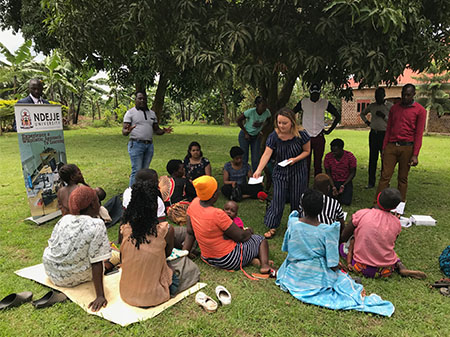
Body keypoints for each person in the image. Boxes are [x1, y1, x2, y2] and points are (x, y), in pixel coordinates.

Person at [275, 189, 395, 317]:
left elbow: (287, 246)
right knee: (342, 279)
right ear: (322, 208)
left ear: (302, 207)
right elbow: (332, 262)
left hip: (293, 274)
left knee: (342, 278)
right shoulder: (327, 231)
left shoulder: (293, 222)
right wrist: (338, 269)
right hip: (317, 276)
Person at [183, 176, 274, 275]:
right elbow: (241, 237)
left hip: (207, 258)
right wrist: (249, 231)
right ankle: (265, 265)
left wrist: (184, 255)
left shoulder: (194, 204)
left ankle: (253, 260)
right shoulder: (217, 214)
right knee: (260, 240)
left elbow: (190, 232)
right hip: (228, 259)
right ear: (214, 195)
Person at [42, 185, 111, 312]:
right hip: (73, 277)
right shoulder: (97, 225)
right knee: (112, 257)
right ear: (93, 205)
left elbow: (53, 244)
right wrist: (100, 296)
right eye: (97, 201)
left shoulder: (65, 219)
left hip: (52, 272)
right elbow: (96, 262)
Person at [340, 188, 426, 279]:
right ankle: (401, 267)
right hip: (386, 270)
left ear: (378, 197)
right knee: (391, 251)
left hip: (360, 267)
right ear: (394, 207)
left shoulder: (362, 214)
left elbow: (344, 236)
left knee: (343, 246)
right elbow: (391, 242)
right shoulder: (396, 222)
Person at [253, 108, 311, 239]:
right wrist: (258, 170)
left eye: (284, 123)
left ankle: (297, 225)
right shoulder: (274, 136)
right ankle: (272, 225)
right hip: (280, 171)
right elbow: (267, 154)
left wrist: (295, 159)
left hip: (298, 171)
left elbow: (307, 151)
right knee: (278, 199)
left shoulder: (302, 134)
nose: (281, 126)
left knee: (297, 199)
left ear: (292, 122)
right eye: (279, 122)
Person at [120, 180, 178, 307]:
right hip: (155, 297)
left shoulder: (124, 228)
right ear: (155, 206)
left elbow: (122, 257)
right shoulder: (165, 230)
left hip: (125, 293)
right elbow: (167, 254)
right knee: (187, 268)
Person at [374, 84, 427, 202]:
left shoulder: (420, 111)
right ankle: (378, 203)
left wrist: (415, 154)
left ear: (414, 94)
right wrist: (384, 148)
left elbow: (418, 134)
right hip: (391, 146)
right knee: (385, 176)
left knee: (402, 178)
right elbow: (389, 129)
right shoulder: (394, 108)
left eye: (408, 95)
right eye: (403, 94)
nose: (405, 97)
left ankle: (400, 206)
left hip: (407, 147)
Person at [122, 91, 172, 187]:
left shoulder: (152, 114)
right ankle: (132, 193)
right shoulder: (130, 113)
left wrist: (164, 131)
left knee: (145, 171)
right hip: (136, 144)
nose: (142, 101)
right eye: (140, 98)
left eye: (144, 99)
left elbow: (156, 130)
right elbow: (124, 131)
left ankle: (143, 192)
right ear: (135, 100)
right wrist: (127, 131)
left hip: (149, 145)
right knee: (137, 170)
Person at [293, 83, 341, 179]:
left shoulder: (325, 103)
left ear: (320, 93)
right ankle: (304, 187)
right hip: (306, 137)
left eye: (317, 93)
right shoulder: (304, 102)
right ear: (310, 93)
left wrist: (329, 130)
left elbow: (337, 116)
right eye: (313, 93)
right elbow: (291, 113)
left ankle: (317, 186)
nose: (315, 96)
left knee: (318, 164)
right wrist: (296, 128)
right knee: (305, 163)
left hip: (319, 136)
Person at [360, 87, 393, 189]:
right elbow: (362, 113)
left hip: (384, 135)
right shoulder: (372, 106)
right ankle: (371, 182)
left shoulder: (390, 106)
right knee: (372, 159)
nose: (377, 98)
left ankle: (384, 182)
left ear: (384, 95)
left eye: (379, 96)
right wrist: (367, 122)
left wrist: (384, 116)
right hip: (374, 134)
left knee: (385, 159)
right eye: (376, 96)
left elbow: (393, 122)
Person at [236, 96, 271, 171]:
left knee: (255, 158)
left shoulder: (267, 112)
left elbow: (269, 121)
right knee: (244, 157)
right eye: (262, 106)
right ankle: (244, 176)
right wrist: (245, 132)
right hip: (245, 136)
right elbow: (238, 120)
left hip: (256, 137)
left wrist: (262, 130)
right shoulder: (251, 112)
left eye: (265, 105)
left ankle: (255, 178)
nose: (264, 108)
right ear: (257, 105)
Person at [160, 160, 196, 225]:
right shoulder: (184, 181)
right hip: (179, 208)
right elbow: (194, 194)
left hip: (165, 208)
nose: (184, 170)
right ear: (175, 172)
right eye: (182, 169)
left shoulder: (164, 179)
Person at [324, 138, 357, 206]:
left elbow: (352, 172)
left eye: (335, 151)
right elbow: (328, 173)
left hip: (345, 181)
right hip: (333, 181)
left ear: (341, 149)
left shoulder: (350, 157)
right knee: (329, 200)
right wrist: (333, 186)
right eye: (332, 151)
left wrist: (343, 185)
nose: (333, 153)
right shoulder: (328, 157)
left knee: (346, 201)